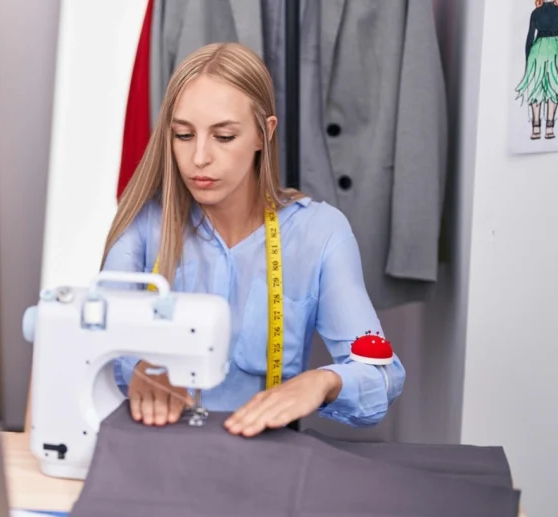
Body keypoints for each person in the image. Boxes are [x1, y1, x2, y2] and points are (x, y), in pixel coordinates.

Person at [101, 42, 405, 437]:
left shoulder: (320, 233)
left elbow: (381, 375)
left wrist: (325, 382)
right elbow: (94, 341)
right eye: (184, 135)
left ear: (265, 133)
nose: (199, 157)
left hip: (260, 459)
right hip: (155, 450)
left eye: (224, 136)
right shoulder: (144, 226)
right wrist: (138, 368)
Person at [514, 0, 558, 141]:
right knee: (553, 88)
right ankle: (549, 128)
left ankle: (536, 128)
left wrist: (528, 59)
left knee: (537, 88)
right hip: (555, 48)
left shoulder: (536, 12)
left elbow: (530, 36)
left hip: (538, 50)